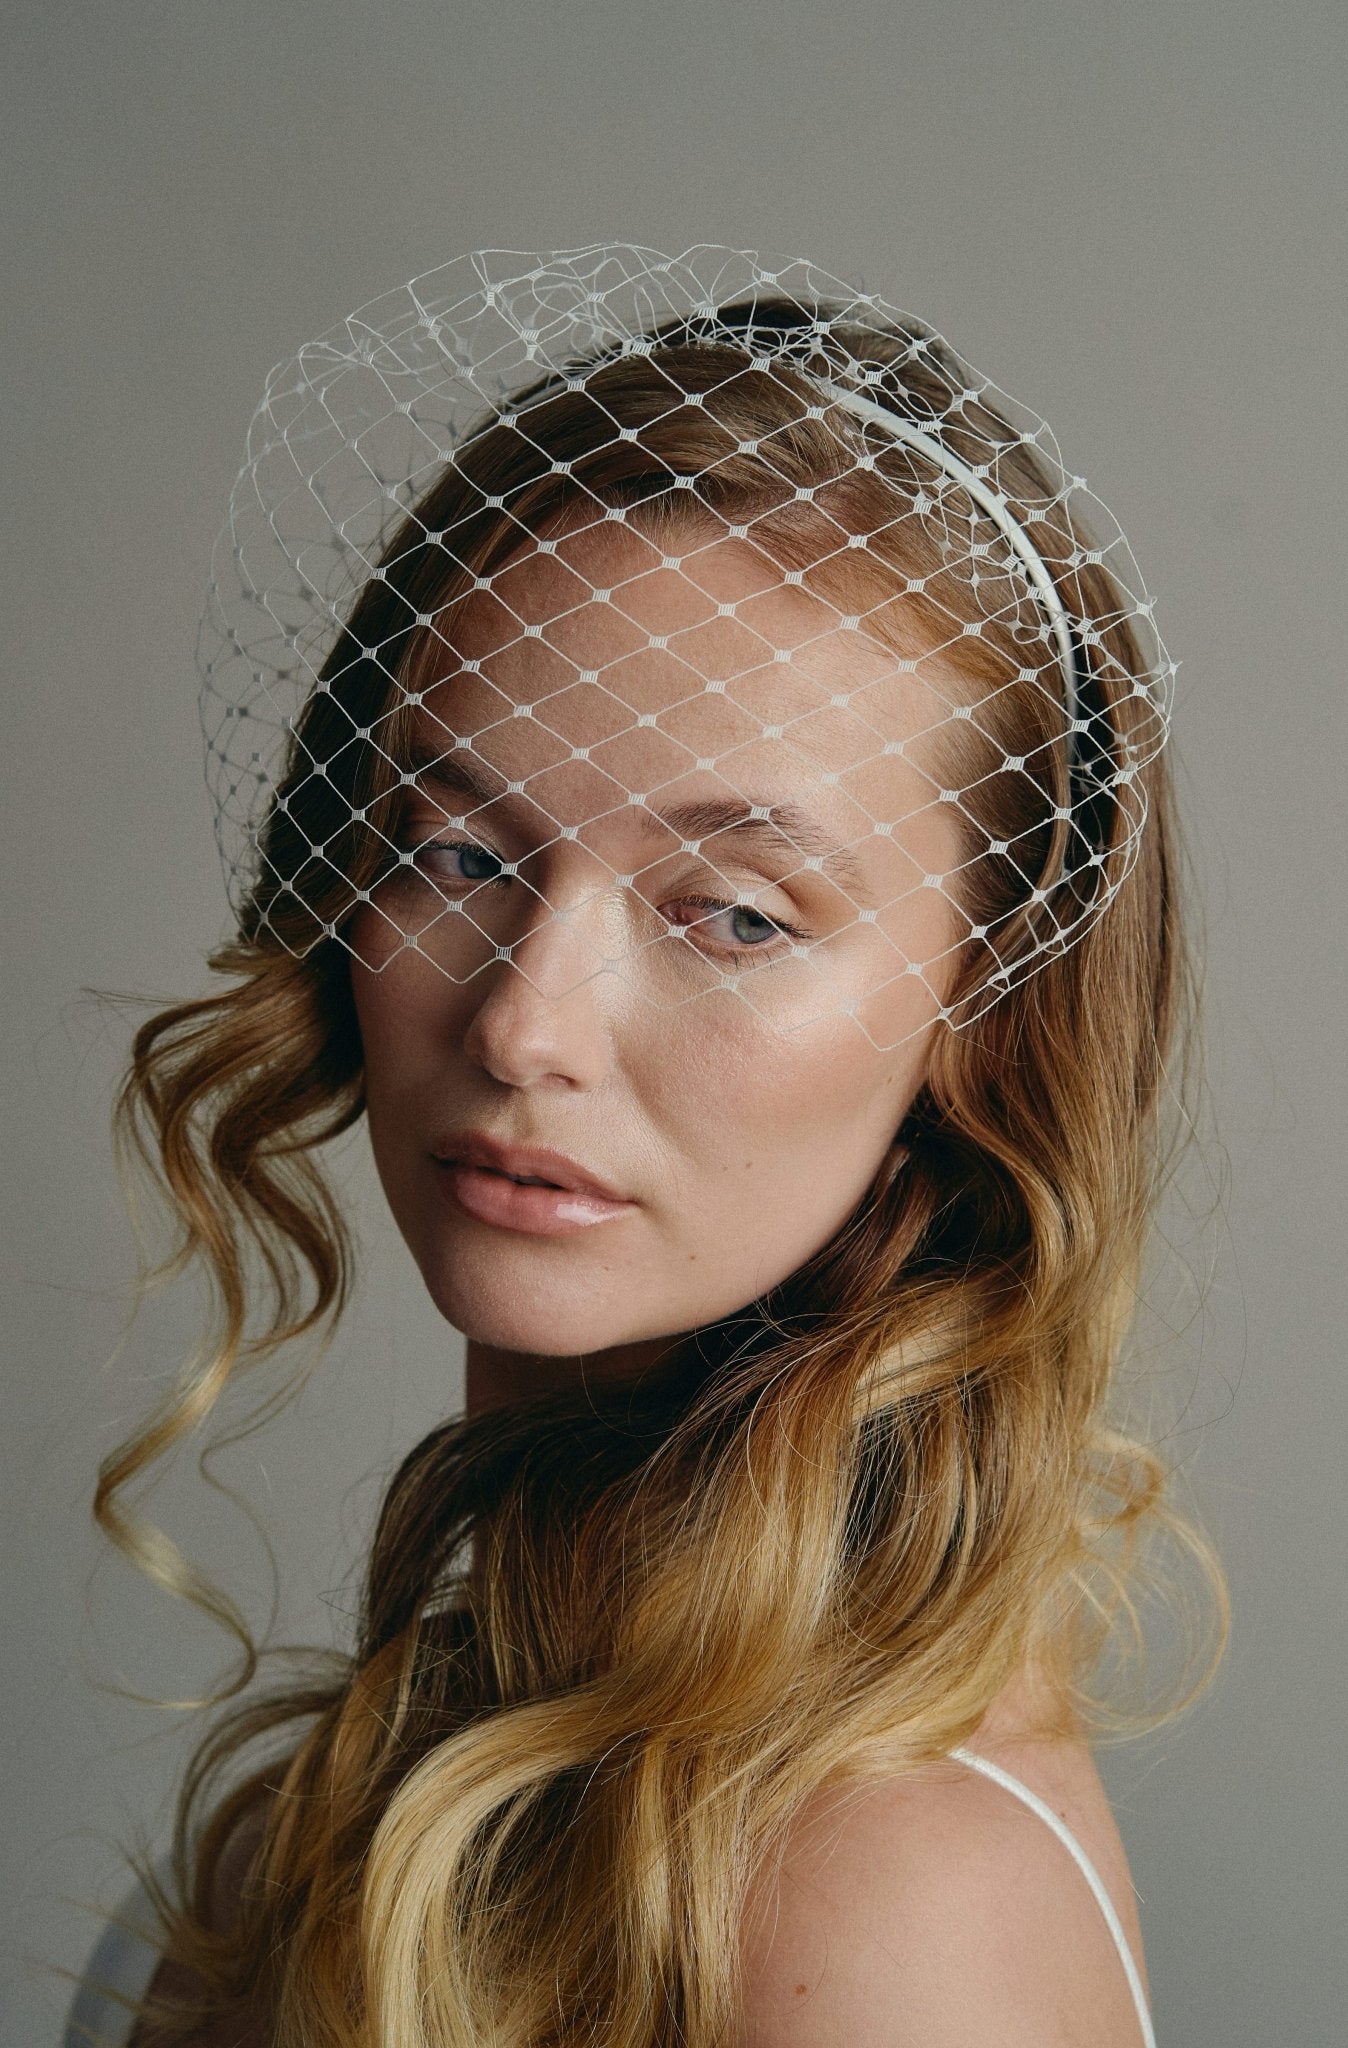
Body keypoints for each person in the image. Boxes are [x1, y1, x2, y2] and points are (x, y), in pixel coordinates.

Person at [69, 248, 1222, 2048]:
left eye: (736, 915)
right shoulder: (429, 1738)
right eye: (457, 853)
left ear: (981, 1015)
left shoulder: (888, 1903)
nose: (526, 1022)